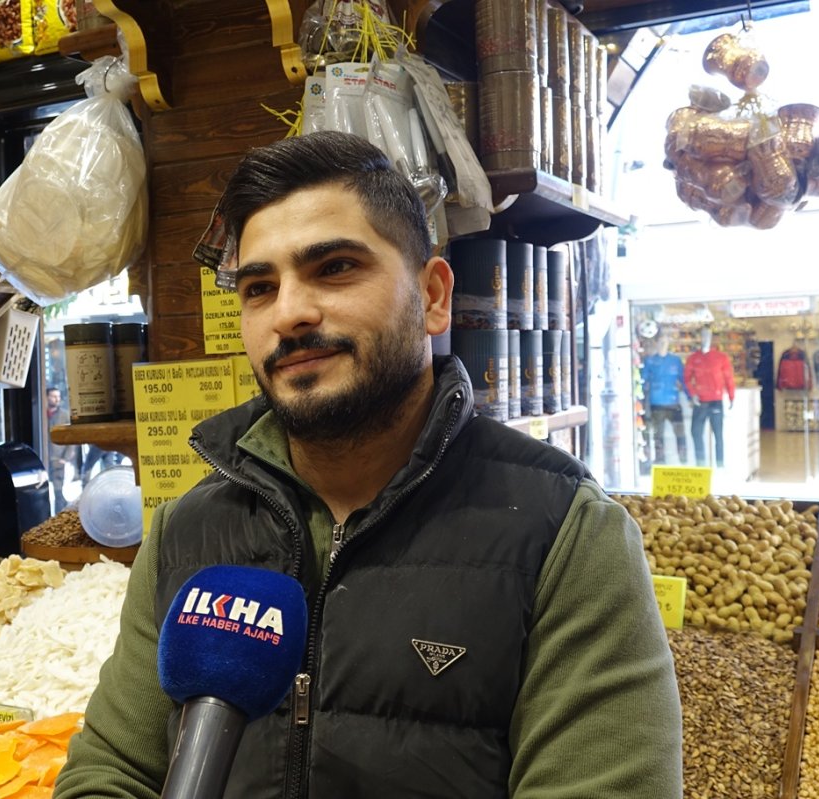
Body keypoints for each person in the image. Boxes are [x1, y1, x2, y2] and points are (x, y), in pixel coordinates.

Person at [54, 131, 681, 799]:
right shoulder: (188, 531)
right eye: (259, 287)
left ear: (433, 296)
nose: (290, 313)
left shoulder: (565, 533)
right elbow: (109, 770)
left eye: (335, 268)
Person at [683, 327, 735, 468]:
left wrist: (731, 396)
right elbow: (687, 379)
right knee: (696, 433)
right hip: (700, 401)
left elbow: (728, 378)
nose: (706, 338)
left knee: (718, 435)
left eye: (708, 335)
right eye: (703, 335)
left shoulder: (721, 357)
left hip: (716, 401)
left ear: (712, 338)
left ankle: (720, 464)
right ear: (699, 337)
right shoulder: (693, 359)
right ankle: (701, 464)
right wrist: (693, 394)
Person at [640, 333, 688, 465]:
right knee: (658, 436)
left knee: (680, 434)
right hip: (657, 404)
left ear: (668, 343)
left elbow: (683, 380)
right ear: (656, 343)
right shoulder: (650, 361)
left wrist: (689, 396)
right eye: (660, 342)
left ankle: (683, 461)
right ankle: (660, 462)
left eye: (665, 342)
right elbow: (644, 382)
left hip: (674, 403)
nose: (663, 344)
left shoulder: (675, 361)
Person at [46, 386, 74, 512]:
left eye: (58, 396)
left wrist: (66, 458)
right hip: (45, 459)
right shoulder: (41, 414)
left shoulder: (64, 415)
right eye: (54, 396)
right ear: (47, 397)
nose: (57, 399)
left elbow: (72, 438)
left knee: (58, 492)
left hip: (58, 459)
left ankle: (59, 518)